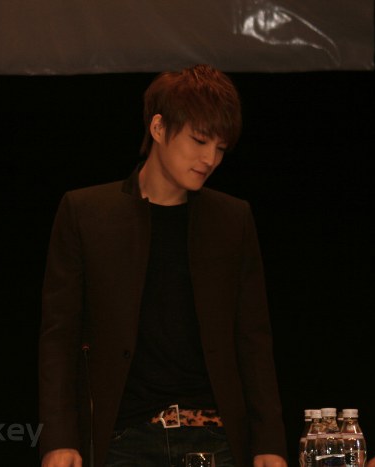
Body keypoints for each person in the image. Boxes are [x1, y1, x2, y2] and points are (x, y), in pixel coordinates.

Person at [38, 64, 287, 467]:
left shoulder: (232, 219)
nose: (210, 159)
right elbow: (59, 337)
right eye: (199, 140)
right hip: (122, 439)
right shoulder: (86, 213)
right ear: (158, 127)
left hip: (215, 438)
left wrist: (269, 443)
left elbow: (253, 339)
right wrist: (58, 439)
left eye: (220, 148)